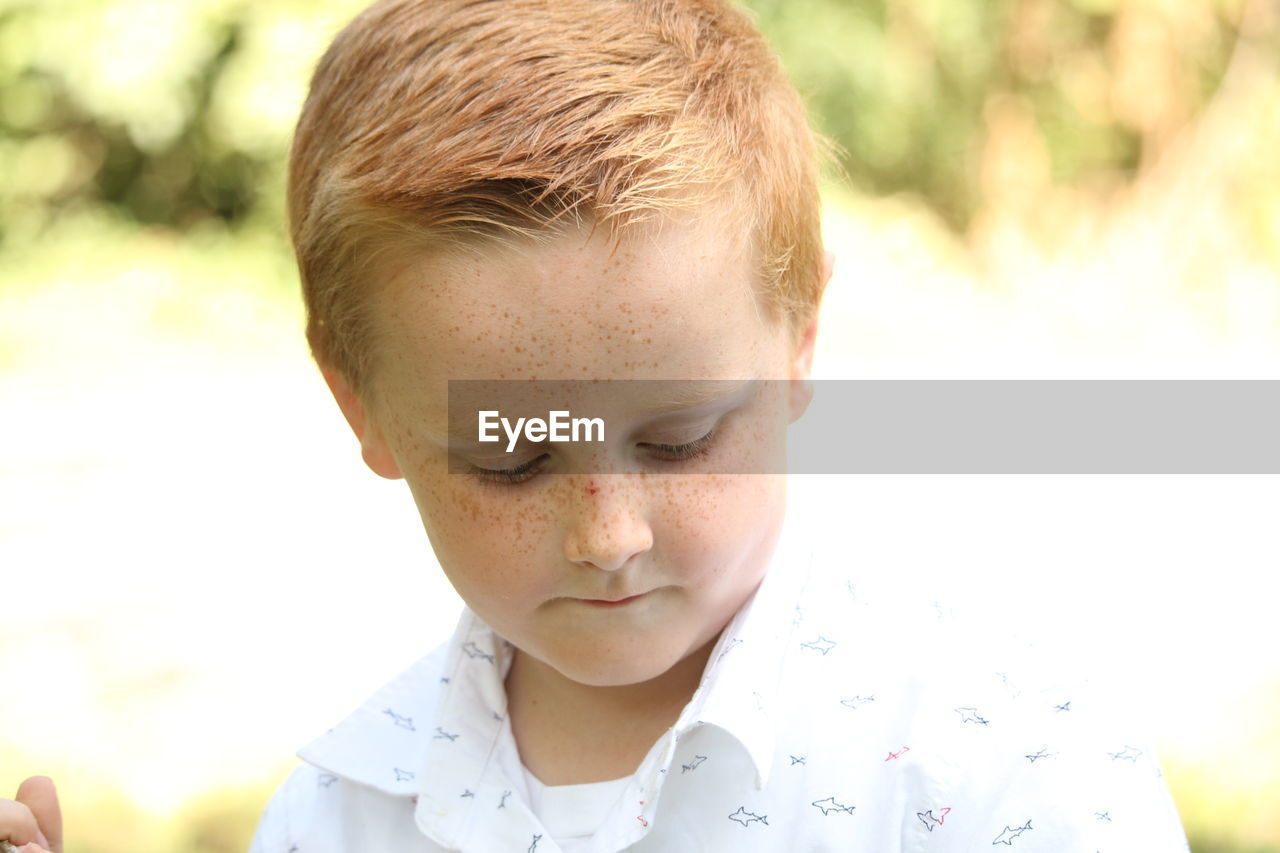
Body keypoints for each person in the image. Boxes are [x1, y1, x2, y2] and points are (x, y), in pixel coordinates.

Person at [2, 1, 1190, 851]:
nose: (607, 533)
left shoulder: (1009, 772)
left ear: (797, 337)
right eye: (511, 456)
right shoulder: (343, 811)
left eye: (675, 436)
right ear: (357, 402)